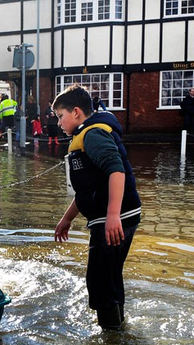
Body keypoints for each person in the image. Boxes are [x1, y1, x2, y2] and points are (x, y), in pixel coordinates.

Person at [52, 84, 141, 331]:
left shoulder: (92, 135)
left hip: (114, 217)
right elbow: (88, 189)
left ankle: (111, 341)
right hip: (118, 214)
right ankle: (118, 328)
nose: (59, 123)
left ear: (77, 112)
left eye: (61, 116)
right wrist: (67, 219)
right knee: (109, 276)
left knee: (100, 280)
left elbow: (116, 171)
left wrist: (113, 215)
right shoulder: (86, 135)